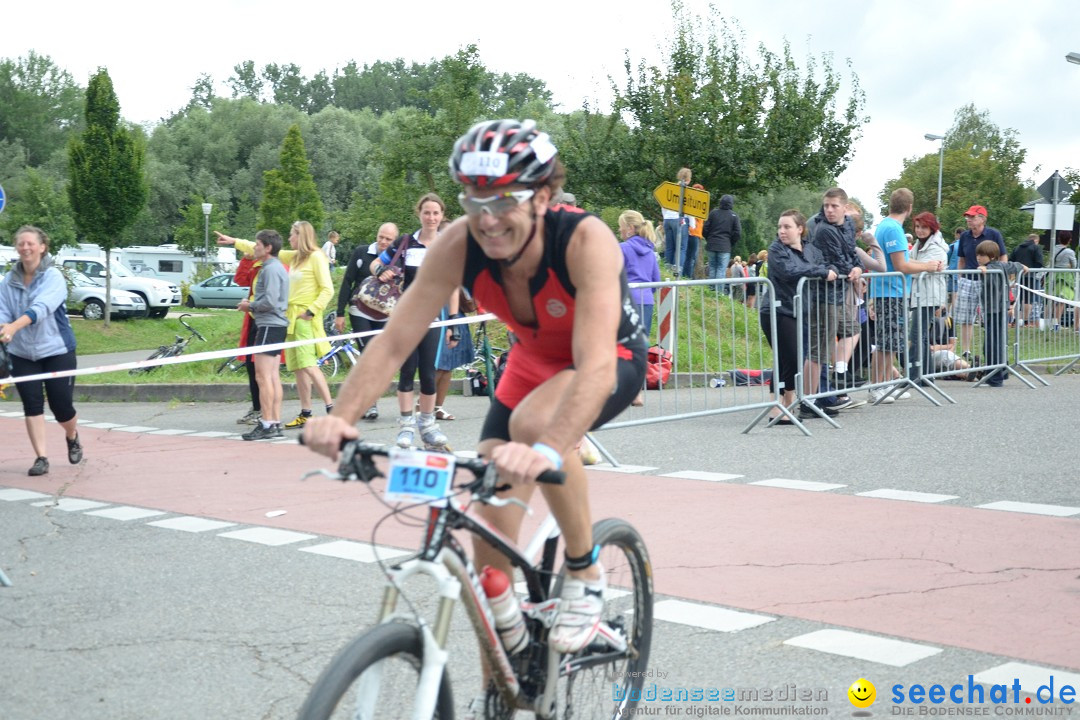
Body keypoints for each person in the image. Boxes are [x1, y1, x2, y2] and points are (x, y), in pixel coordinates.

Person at [302, 118, 647, 656]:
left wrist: (548, 449)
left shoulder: (584, 239)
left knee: (534, 427)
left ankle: (585, 571)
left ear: (544, 195)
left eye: (504, 199)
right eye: (473, 199)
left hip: (607, 358)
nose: (487, 219)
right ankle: (510, 667)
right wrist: (339, 419)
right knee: (489, 546)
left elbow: (597, 365)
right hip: (532, 364)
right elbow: (394, 342)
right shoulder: (458, 244)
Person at [217, 220, 335, 428]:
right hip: (289, 318)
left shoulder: (317, 257)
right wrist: (234, 241)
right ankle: (306, 412)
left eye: (292, 234)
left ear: (302, 236)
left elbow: (328, 289)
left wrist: (311, 310)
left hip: (304, 318)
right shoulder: (296, 257)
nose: (289, 238)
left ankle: (331, 408)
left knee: (308, 365)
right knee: (297, 367)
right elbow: (262, 249)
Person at [0, 226, 83, 476]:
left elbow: (42, 307)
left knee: (61, 406)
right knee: (32, 404)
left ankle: (72, 434)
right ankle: (41, 458)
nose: (25, 248)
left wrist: (14, 326)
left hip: (56, 349)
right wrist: (4, 327)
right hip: (22, 352)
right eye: (21, 244)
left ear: (42, 247)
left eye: (30, 243)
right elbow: (3, 309)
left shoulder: (53, 276)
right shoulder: (8, 279)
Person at [760, 210, 837, 424]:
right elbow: (789, 270)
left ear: (800, 229)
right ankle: (780, 406)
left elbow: (822, 264)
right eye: (780, 227)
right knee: (789, 358)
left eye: (787, 227)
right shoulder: (776, 249)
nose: (781, 231)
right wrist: (821, 272)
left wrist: (830, 269)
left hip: (799, 310)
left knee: (789, 359)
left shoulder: (811, 250)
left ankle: (784, 407)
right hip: (777, 309)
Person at [867, 189, 943, 404]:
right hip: (891, 291)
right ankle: (878, 386)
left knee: (889, 342)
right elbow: (901, 265)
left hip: (888, 290)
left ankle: (883, 383)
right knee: (888, 342)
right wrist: (927, 266)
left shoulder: (884, 226)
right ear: (909, 208)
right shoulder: (893, 229)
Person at [805, 188, 863, 411]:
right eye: (826, 205)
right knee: (820, 348)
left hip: (839, 293)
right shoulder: (823, 230)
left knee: (853, 328)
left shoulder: (848, 224)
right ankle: (814, 398)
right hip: (822, 295)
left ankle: (839, 375)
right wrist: (853, 269)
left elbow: (851, 252)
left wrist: (857, 266)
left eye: (834, 206)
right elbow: (838, 261)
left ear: (844, 208)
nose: (829, 210)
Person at [335, 222, 398, 420]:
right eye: (381, 237)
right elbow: (347, 281)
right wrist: (340, 313)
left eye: (388, 239)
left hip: (385, 314)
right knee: (368, 354)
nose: (383, 241)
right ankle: (369, 404)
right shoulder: (362, 252)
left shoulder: (397, 259)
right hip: (359, 310)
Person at [240, 230, 289, 440]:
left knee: (263, 377)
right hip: (276, 326)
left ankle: (267, 423)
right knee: (272, 376)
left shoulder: (270, 269)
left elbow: (269, 302)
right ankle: (275, 423)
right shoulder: (276, 267)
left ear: (268, 248)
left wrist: (248, 305)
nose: (254, 247)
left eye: (257, 244)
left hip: (269, 325)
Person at [956, 205, 1007, 359]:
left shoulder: (993, 234)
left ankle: (992, 350)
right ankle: (966, 351)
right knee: (966, 317)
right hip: (968, 280)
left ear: (982, 219)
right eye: (967, 217)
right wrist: (960, 278)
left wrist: (999, 274)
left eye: (972, 217)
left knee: (989, 317)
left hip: (988, 282)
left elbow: (1003, 256)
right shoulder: (965, 236)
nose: (968, 220)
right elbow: (962, 259)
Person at [975, 240, 1023, 387]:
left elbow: (989, 278)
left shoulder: (991, 268)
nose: (978, 257)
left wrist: (984, 271)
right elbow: (1016, 265)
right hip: (1000, 309)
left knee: (992, 344)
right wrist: (1023, 266)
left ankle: (995, 378)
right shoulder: (1002, 265)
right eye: (978, 254)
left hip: (994, 310)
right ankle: (1001, 372)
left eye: (982, 255)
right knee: (999, 342)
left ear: (992, 256)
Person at [908, 212, 948, 385]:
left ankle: (917, 376)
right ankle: (925, 375)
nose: (920, 230)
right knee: (920, 336)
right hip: (921, 295)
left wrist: (911, 267)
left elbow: (915, 270)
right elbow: (914, 266)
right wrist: (914, 266)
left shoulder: (936, 247)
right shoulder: (919, 244)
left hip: (929, 296)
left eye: (924, 227)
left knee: (917, 335)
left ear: (932, 228)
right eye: (917, 227)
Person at [618, 210, 661, 337]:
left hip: (625, 300)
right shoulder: (650, 251)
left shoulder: (622, 248)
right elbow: (656, 281)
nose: (619, 229)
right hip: (646, 301)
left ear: (630, 228)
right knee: (640, 345)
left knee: (622, 344)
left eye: (621, 226)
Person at [703, 194, 740, 295]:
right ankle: (718, 293)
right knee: (721, 269)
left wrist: (708, 238)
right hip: (725, 245)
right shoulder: (733, 216)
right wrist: (730, 243)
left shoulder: (713, 213)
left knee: (712, 267)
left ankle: (711, 290)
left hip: (712, 244)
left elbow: (705, 228)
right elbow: (737, 233)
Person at [662, 167, 693, 275]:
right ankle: (677, 272)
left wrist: (665, 217)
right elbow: (690, 210)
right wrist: (692, 226)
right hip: (680, 220)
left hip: (667, 219)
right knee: (682, 248)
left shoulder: (670, 189)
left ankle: (667, 271)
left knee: (669, 246)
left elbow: (663, 205)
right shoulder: (687, 191)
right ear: (689, 179)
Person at [1011, 233, 1044, 326]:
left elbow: (1011, 261)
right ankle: (1025, 321)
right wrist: (1035, 271)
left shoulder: (1017, 248)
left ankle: (1016, 320)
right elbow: (1039, 262)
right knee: (1028, 299)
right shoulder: (1035, 248)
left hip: (1019, 276)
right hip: (1030, 276)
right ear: (1036, 241)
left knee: (1019, 298)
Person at [1050, 231, 1076, 331]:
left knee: (1053, 300)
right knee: (1061, 301)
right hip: (1065, 277)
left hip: (1053, 276)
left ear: (1059, 239)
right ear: (1069, 240)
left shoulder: (1053, 249)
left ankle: (1052, 323)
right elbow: (1074, 265)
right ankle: (1056, 325)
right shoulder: (1069, 252)